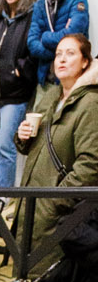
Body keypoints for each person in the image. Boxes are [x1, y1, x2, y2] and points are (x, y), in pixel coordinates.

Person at [16, 32, 98, 262]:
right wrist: (22, 137)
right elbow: (31, 147)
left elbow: (90, 166)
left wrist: (54, 201)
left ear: (85, 62)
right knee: (29, 279)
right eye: (58, 54)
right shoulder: (50, 95)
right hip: (31, 207)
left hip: (56, 215)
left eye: (70, 54)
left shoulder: (91, 103)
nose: (61, 59)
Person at [0, 0, 37, 188]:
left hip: (15, 96)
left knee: (6, 146)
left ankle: (4, 198)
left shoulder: (32, 16)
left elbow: (36, 49)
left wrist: (19, 70)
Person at [27, 0, 88, 84]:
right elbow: (32, 41)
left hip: (71, 77)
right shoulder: (40, 4)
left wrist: (45, 37)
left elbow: (73, 35)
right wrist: (58, 54)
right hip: (45, 77)